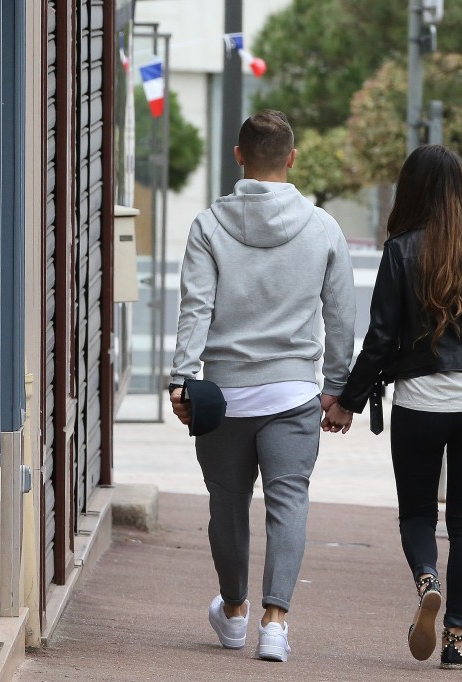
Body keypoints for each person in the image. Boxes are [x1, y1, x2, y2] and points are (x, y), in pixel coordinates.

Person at [324, 145, 462, 669]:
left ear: (409, 189)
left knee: (416, 513)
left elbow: (380, 338)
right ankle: (455, 640)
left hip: (417, 404)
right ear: (460, 190)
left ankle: (426, 580)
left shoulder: (400, 250)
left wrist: (347, 401)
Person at [168, 109, 356, 662]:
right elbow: (341, 315)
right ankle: (275, 624)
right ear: (292, 159)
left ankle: (233, 612)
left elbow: (194, 308)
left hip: (225, 396)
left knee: (226, 505)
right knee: (288, 502)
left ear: (238, 155)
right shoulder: (323, 227)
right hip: (294, 394)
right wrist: (338, 386)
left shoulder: (208, 225)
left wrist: (184, 380)